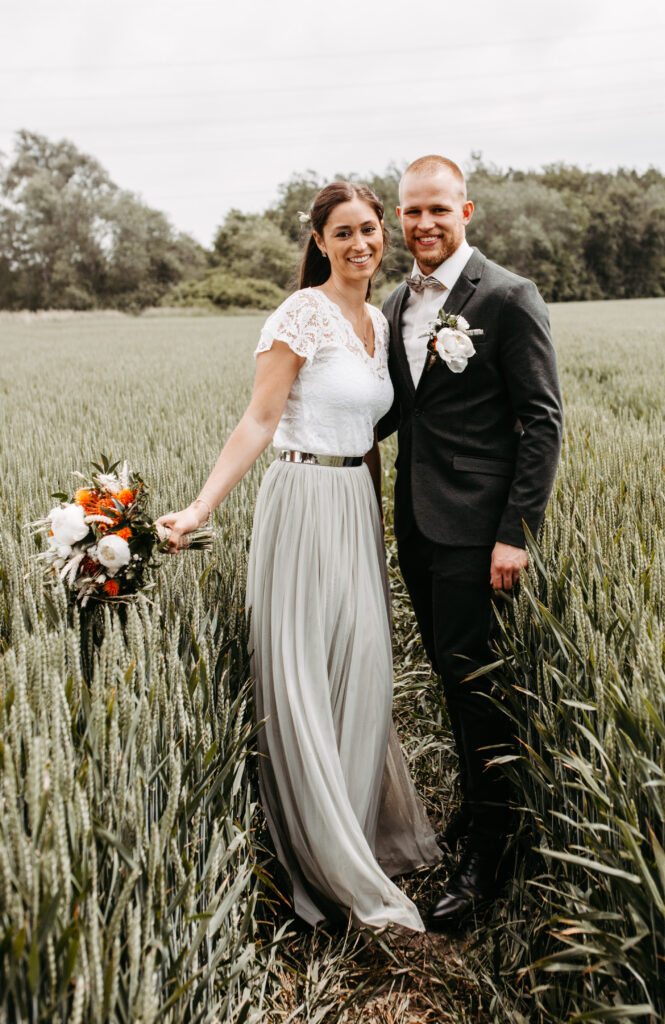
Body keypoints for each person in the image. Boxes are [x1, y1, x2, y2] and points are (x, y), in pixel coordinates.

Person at [157, 181, 441, 932]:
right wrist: (198, 508)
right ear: (319, 240)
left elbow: (374, 434)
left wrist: (383, 524)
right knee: (307, 676)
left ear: (386, 236)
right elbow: (259, 419)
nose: (360, 244)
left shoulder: (380, 322)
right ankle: (327, 865)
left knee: (366, 670)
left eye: (370, 230)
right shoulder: (299, 314)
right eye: (343, 232)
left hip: (355, 508)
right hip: (302, 500)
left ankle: (351, 835)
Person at [378, 155, 563, 931]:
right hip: (418, 528)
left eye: (438, 211)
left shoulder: (510, 297)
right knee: (454, 683)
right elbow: (397, 411)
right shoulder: (394, 302)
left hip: (479, 533)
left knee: (478, 690)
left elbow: (542, 420)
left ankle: (496, 855)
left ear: (467, 211)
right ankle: (480, 816)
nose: (424, 224)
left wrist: (516, 535)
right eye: (411, 212)